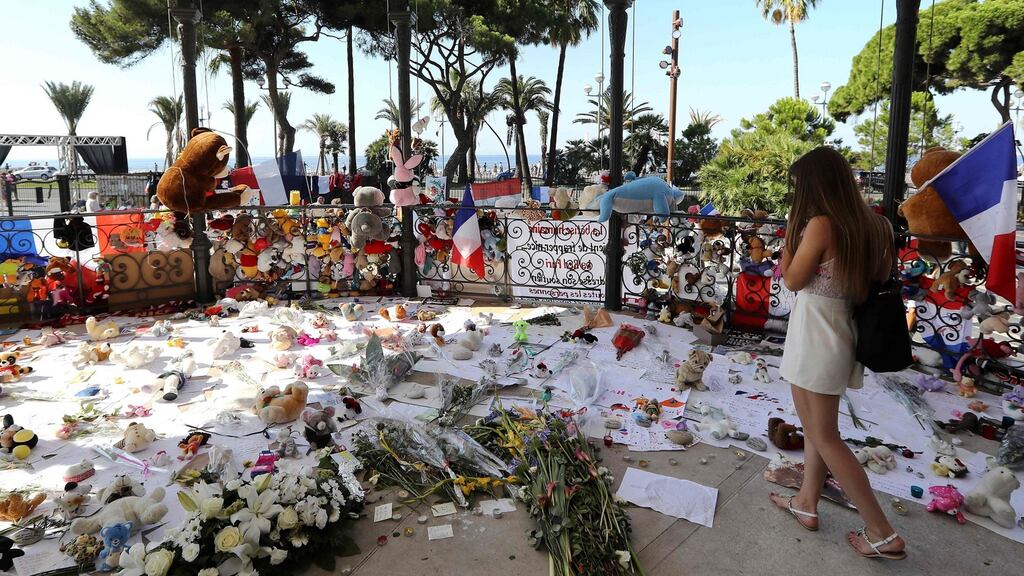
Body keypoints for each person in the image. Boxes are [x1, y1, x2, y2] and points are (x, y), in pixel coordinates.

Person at [772, 146, 906, 561]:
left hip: (814, 333)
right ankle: (807, 502)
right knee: (817, 429)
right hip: (844, 331)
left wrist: (788, 244)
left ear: (814, 185)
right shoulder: (877, 225)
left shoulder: (820, 225)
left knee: (825, 435)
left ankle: (883, 532)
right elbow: (880, 277)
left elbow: (793, 280)